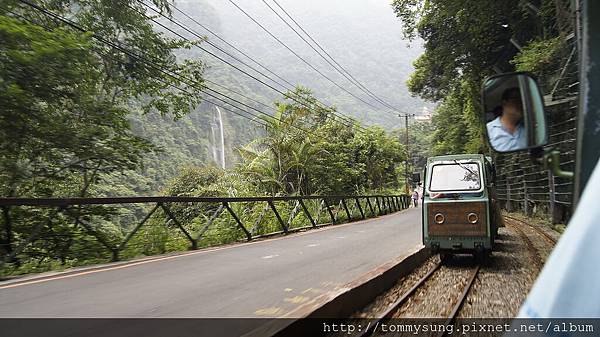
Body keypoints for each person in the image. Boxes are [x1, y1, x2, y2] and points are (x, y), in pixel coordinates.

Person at [486, 87, 527, 152]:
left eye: (522, 100)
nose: (520, 103)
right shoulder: (489, 129)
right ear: (504, 103)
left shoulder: (528, 127)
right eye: (516, 100)